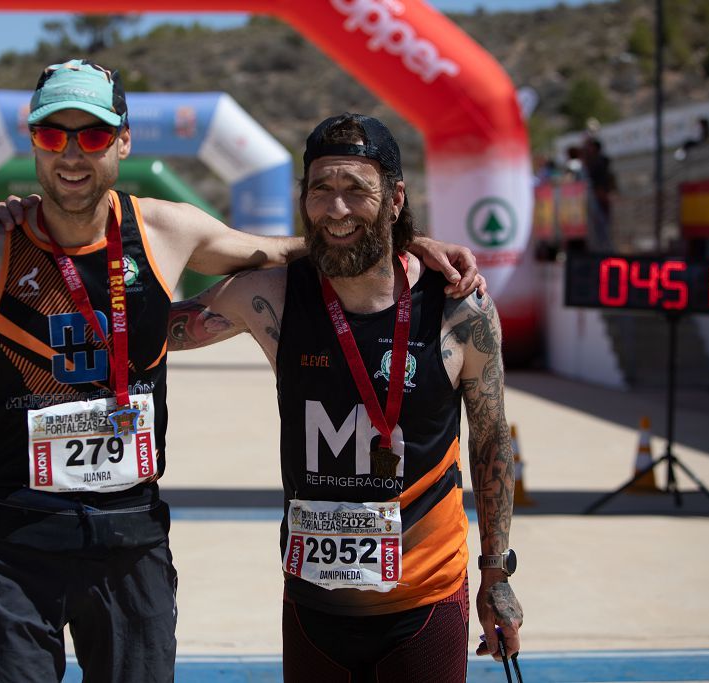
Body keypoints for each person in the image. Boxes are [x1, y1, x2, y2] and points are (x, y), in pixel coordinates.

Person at [0, 60, 484, 683]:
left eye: (93, 135)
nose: (72, 154)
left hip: (129, 540)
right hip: (13, 539)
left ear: (123, 141)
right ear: (32, 141)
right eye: (53, 135)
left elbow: (303, 248)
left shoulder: (166, 230)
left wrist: (407, 240)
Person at [165, 113, 523, 682]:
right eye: (321, 191)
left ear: (395, 197)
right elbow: (149, 333)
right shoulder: (273, 296)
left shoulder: (459, 309)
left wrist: (496, 576)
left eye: (357, 190)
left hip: (425, 603)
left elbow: (492, 440)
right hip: (314, 605)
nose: (336, 210)